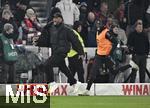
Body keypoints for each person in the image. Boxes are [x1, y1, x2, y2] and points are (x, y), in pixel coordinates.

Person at [79, 22, 139, 95]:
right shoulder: (98, 32)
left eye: (99, 24)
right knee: (93, 73)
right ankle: (87, 90)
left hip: (106, 55)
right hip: (99, 55)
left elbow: (115, 40)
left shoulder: (106, 32)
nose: (98, 26)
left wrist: (119, 47)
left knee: (114, 71)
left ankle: (130, 65)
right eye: (97, 24)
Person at [36, 13, 84, 93]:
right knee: (63, 68)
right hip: (55, 52)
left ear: (61, 19)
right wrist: (39, 42)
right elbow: (47, 40)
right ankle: (74, 82)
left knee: (47, 64)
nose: (54, 19)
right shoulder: (51, 28)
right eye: (54, 18)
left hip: (62, 52)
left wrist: (81, 52)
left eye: (57, 18)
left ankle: (51, 83)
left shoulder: (67, 29)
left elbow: (75, 40)